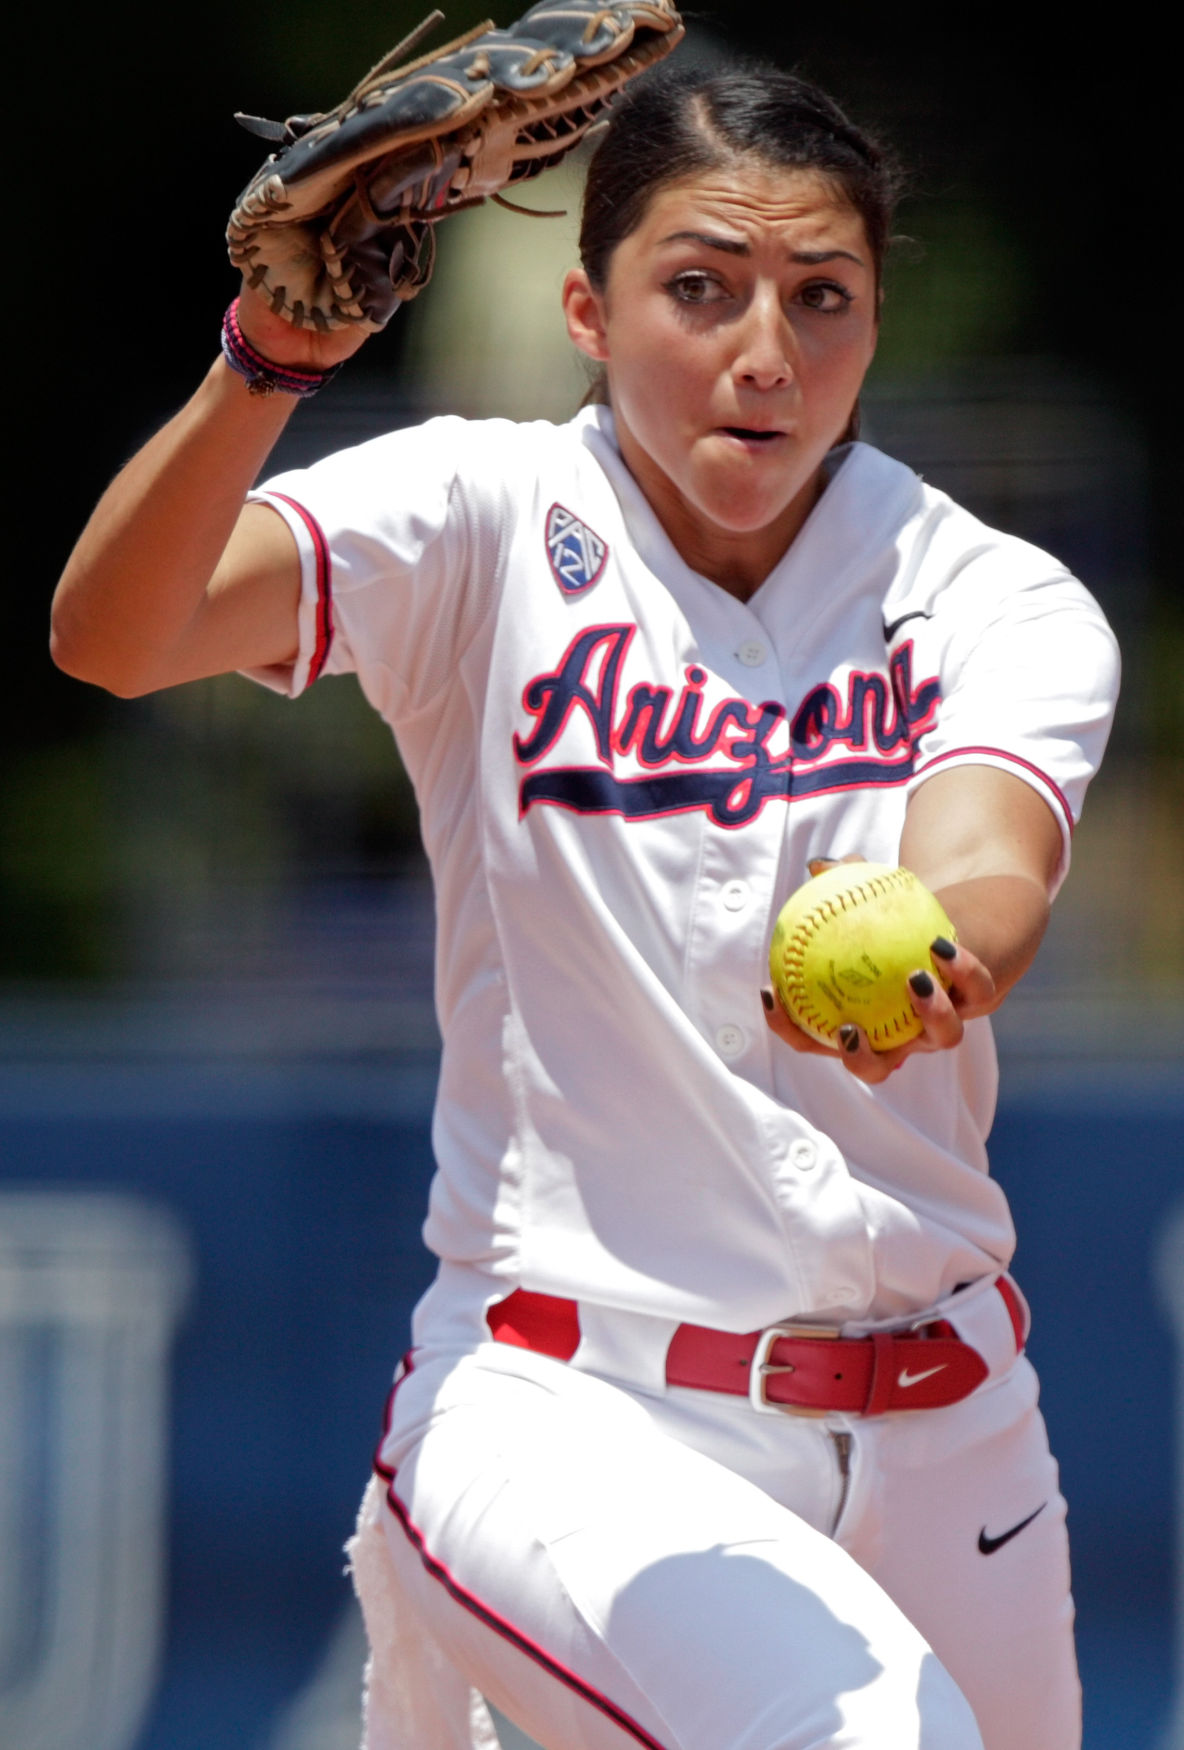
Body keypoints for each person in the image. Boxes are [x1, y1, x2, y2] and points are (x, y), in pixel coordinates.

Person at [51, 54, 1119, 1750]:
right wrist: (265, 370)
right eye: (699, 287)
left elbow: (990, 856)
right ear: (586, 310)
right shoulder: (481, 513)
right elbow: (113, 638)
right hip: (576, 1398)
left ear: (873, 324)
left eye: (821, 296)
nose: (765, 350)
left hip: (952, 1433)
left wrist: (945, 957)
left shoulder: (990, 591)